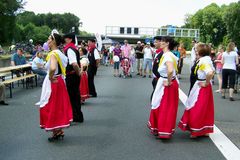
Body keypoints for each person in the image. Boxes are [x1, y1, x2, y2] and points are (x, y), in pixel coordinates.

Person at [39, 31, 73, 142]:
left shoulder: (53, 54)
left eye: (49, 39)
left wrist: (50, 76)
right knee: (57, 106)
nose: (47, 41)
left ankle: (56, 131)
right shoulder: (60, 53)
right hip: (59, 82)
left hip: (54, 82)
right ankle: (58, 131)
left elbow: (53, 68)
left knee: (51, 106)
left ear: (54, 41)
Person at [178, 43, 215, 138]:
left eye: (196, 49)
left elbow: (210, 73)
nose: (195, 50)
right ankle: (204, 129)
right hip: (202, 86)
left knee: (196, 107)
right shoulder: (206, 60)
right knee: (204, 108)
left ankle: (196, 130)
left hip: (201, 87)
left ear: (200, 51)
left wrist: (206, 83)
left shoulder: (203, 61)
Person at [148, 36, 179, 139]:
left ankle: (163, 130)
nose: (160, 42)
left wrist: (169, 81)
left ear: (167, 44)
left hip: (166, 83)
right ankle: (160, 128)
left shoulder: (168, 56)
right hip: (165, 81)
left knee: (164, 107)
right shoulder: (168, 55)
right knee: (160, 105)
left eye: (162, 41)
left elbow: (170, 70)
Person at [63, 33, 83, 123]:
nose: (64, 40)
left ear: (70, 39)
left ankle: (76, 116)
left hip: (72, 75)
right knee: (75, 96)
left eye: (66, 38)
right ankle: (77, 116)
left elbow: (74, 63)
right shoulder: (73, 48)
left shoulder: (70, 49)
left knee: (72, 96)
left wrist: (78, 72)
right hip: (74, 75)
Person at [151, 36, 163, 100]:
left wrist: (159, 77)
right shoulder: (157, 52)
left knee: (155, 99)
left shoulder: (163, 53)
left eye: (156, 42)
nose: (154, 43)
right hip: (155, 78)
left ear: (160, 42)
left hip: (159, 78)